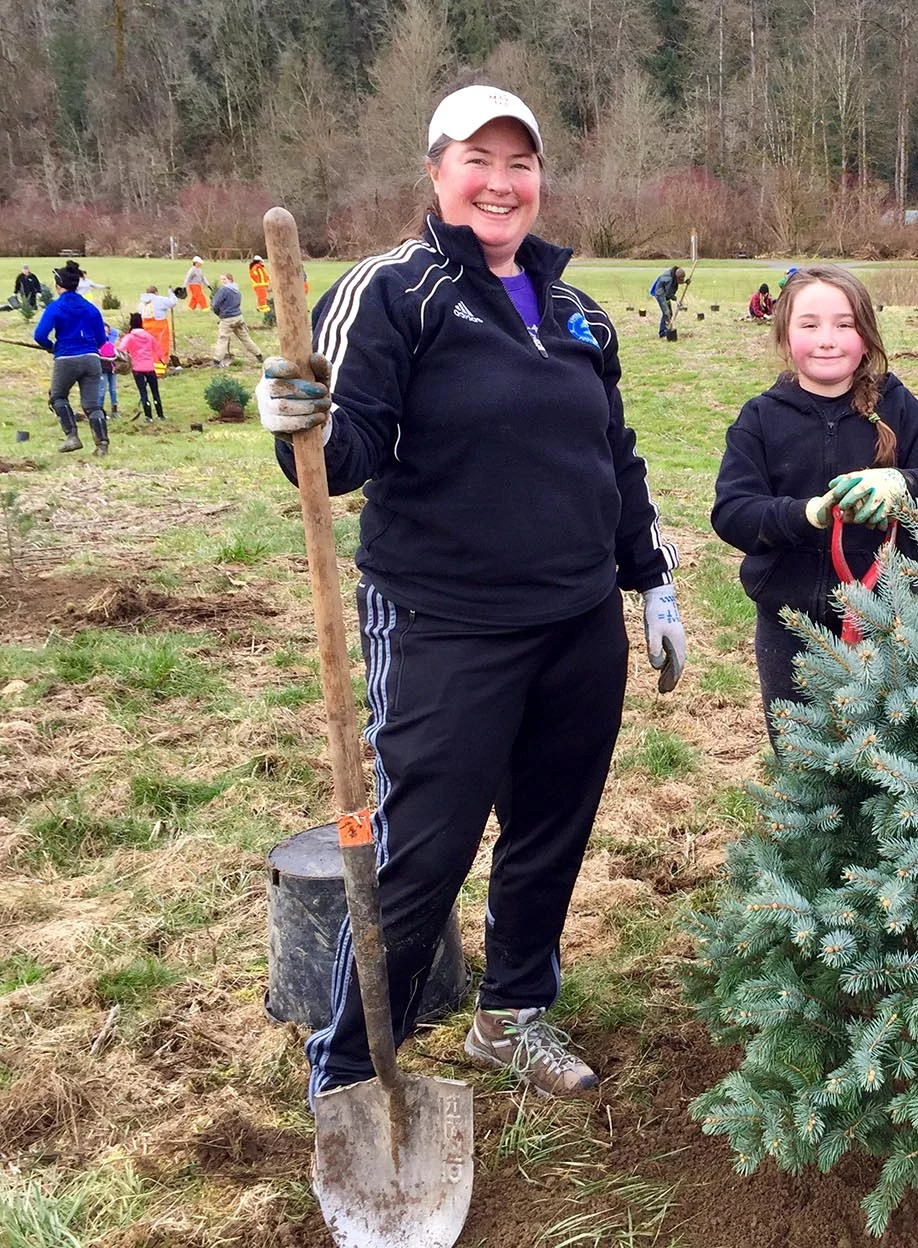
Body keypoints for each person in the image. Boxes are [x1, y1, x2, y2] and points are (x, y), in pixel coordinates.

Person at [255, 81, 685, 1104]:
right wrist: (298, 420)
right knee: (422, 852)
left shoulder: (578, 313)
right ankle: (353, 1070)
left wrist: (652, 579)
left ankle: (512, 1016)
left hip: (578, 623)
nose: (500, 182)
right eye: (477, 161)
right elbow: (346, 449)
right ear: (436, 173)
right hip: (446, 624)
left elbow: (612, 456)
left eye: (519, 163)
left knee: (550, 832)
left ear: (540, 179)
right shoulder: (393, 290)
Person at [712, 265, 918, 739]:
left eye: (845, 325)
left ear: (866, 337)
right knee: (801, 759)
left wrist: (902, 484)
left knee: (887, 759)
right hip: (789, 625)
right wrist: (804, 514)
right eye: (809, 325)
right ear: (784, 337)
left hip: (889, 624)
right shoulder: (760, 419)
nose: (828, 339)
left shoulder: (898, 407)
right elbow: (732, 513)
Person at [33, 261, 110, 455]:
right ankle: (102, 445)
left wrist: (52, 347)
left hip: (66, 358)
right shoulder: (91, 308)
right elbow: (102, 340)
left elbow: (40, 335)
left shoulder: (55, 307)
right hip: (92, 359)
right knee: (93, 405)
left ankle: (72, 436)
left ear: (59, 286)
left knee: (58, 396)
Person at [118, 312, 165, 422]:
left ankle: (148, 416)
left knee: (143, 392)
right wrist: (162, 361)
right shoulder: (149, 336)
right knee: (155, 392)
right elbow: (158, 350)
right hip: (150, 367)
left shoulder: (129, 337)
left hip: (137, 368)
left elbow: (120, 350)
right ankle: (160, 414)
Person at [211, 273, 264, 367]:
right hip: (238, 317)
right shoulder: (237, 290)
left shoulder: (223, 290)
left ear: (230, 280)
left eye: (224, 279)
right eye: (222, 279)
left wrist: (219, 314)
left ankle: (216, 361)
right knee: (245, 338)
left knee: (223, 339)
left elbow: (215, 304)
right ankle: (259, 355)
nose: (223, 281)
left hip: (227, 319)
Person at [138, 285, 180, 377]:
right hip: (160, 329)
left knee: (148, 349)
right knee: (161, 349)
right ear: (156, 292)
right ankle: (158, 372)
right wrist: (171, 293)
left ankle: (147, 370)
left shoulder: (142, 303)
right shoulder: (159, 299)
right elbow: (172, 303)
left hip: (146, 329)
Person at [649, 265, 688, 338]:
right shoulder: (669, 279)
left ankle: (667, 329)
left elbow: (677, 282)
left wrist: (685, 282)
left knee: (669, 313)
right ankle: (662, 332)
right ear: (676, 277)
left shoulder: (674, 274)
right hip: (661, 294)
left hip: (665, 294)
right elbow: (669, 294)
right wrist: (676, 300)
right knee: (666, 312)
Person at [98, 324, 121, 419]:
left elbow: (115, 332)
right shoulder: (97, 343)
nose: (106, 334)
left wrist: (107, 329)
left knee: (113, 390)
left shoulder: (110, 341)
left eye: (107, 332)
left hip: (112, 368)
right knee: (102, 390)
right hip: (102, 369)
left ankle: (114, 410)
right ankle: (100, 410)